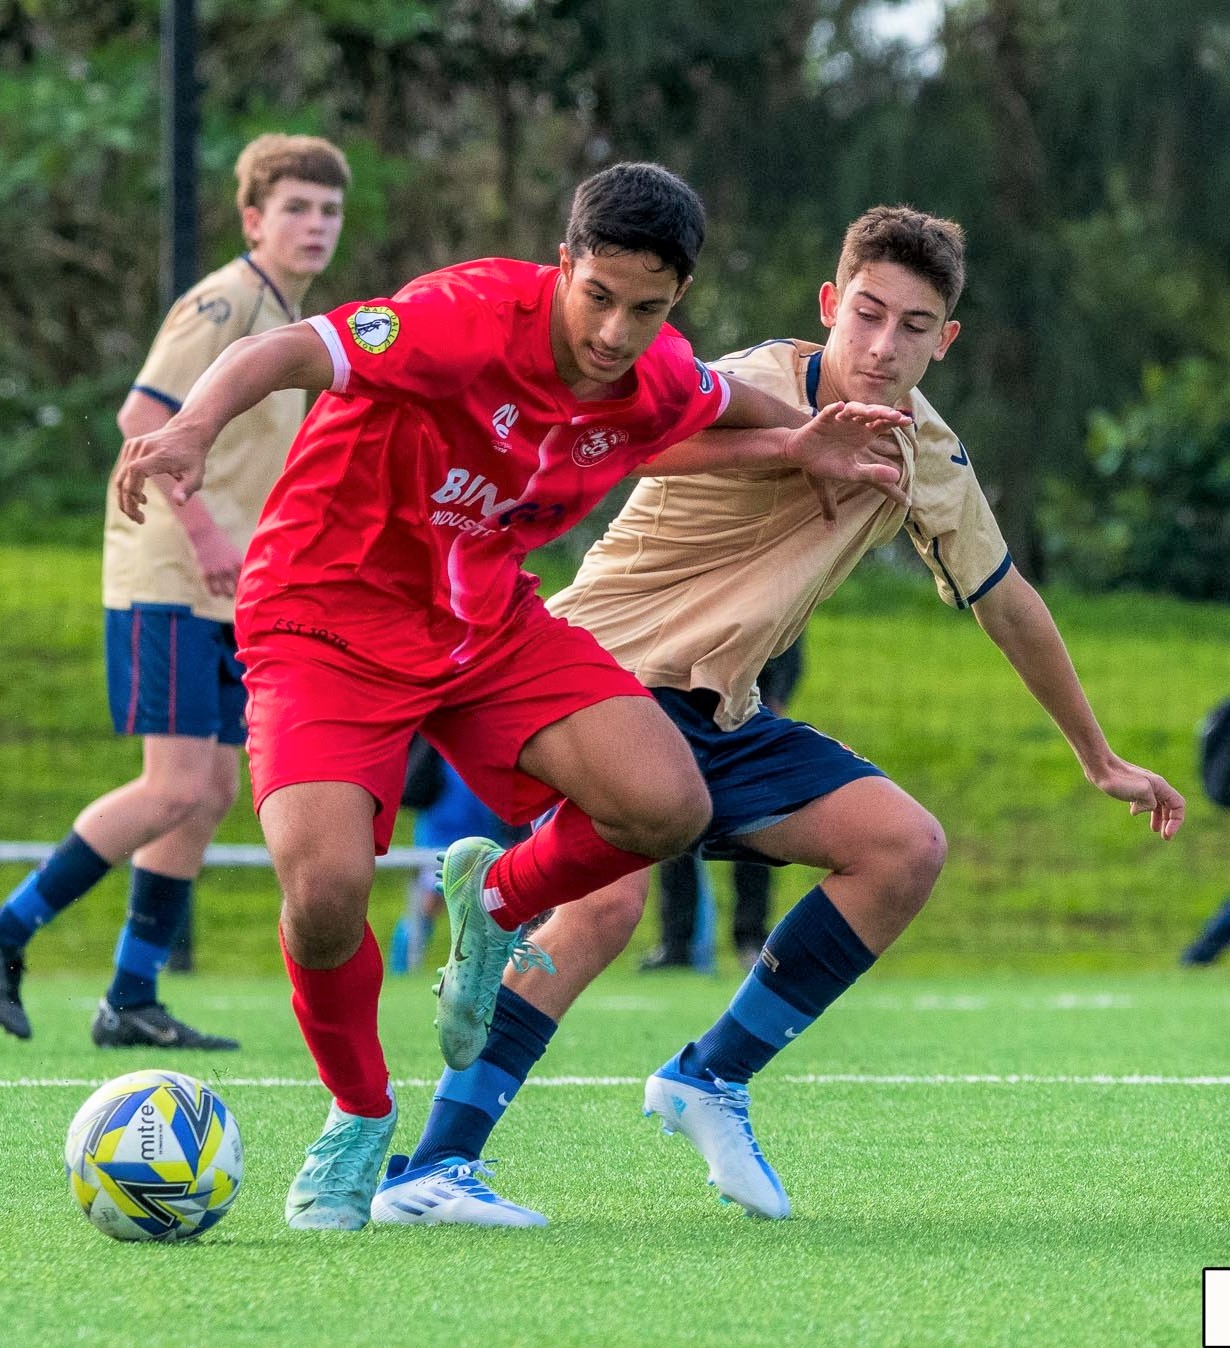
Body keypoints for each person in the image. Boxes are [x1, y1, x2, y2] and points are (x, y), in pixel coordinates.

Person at [113, 162, 913, 1231]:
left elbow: (711, 404)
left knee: (665, 804)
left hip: (483, 623)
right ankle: (359, 1117)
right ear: (563, 263)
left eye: (646, 309)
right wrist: (195, 427)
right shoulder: (463, 316)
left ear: (676, 299)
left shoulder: (653, 368)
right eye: (599, 297)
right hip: (324, 617)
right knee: (326, 892)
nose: (616, 332)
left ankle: (490, 908)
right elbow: (287, 349)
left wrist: (798, 439)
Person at [370, 204, 1186, 1229]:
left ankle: (708, 1077)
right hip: (594, 678)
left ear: (945, 340)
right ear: (828, 304)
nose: (882, 346)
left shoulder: (927, 454)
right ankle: (433, 1165)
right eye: (867, 314)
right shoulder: (743, 382)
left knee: (901, 847)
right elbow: (611, 443)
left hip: (720, 710)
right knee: (608, 905)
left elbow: (1008, 601)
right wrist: (793, 449)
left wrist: (1098, 757)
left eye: (913, 326)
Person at [0, 134, 352, 1048]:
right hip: (170, 573)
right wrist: (206, 536)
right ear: (253, 218)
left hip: (228, 589)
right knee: (173, 787)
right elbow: (143, 417)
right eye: (295, 207)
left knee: (207, 793)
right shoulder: (226, 300)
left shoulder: (290, 315)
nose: (315, 224)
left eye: (328, 210)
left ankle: (130, 997)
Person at [640, 640, 805, 971]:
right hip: (685, 709)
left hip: (749, 716)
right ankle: (677, 943)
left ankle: (751, 939)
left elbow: (788, 642)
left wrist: (776, 697)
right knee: (675, 826)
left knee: (756, 830)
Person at [390, 738, 528, 973]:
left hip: (486, 832)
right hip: (441, 832)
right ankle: (402, 969)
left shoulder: (489, 741)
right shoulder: (437, 740)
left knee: (500, 905)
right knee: (429, 902)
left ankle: (510, 970)